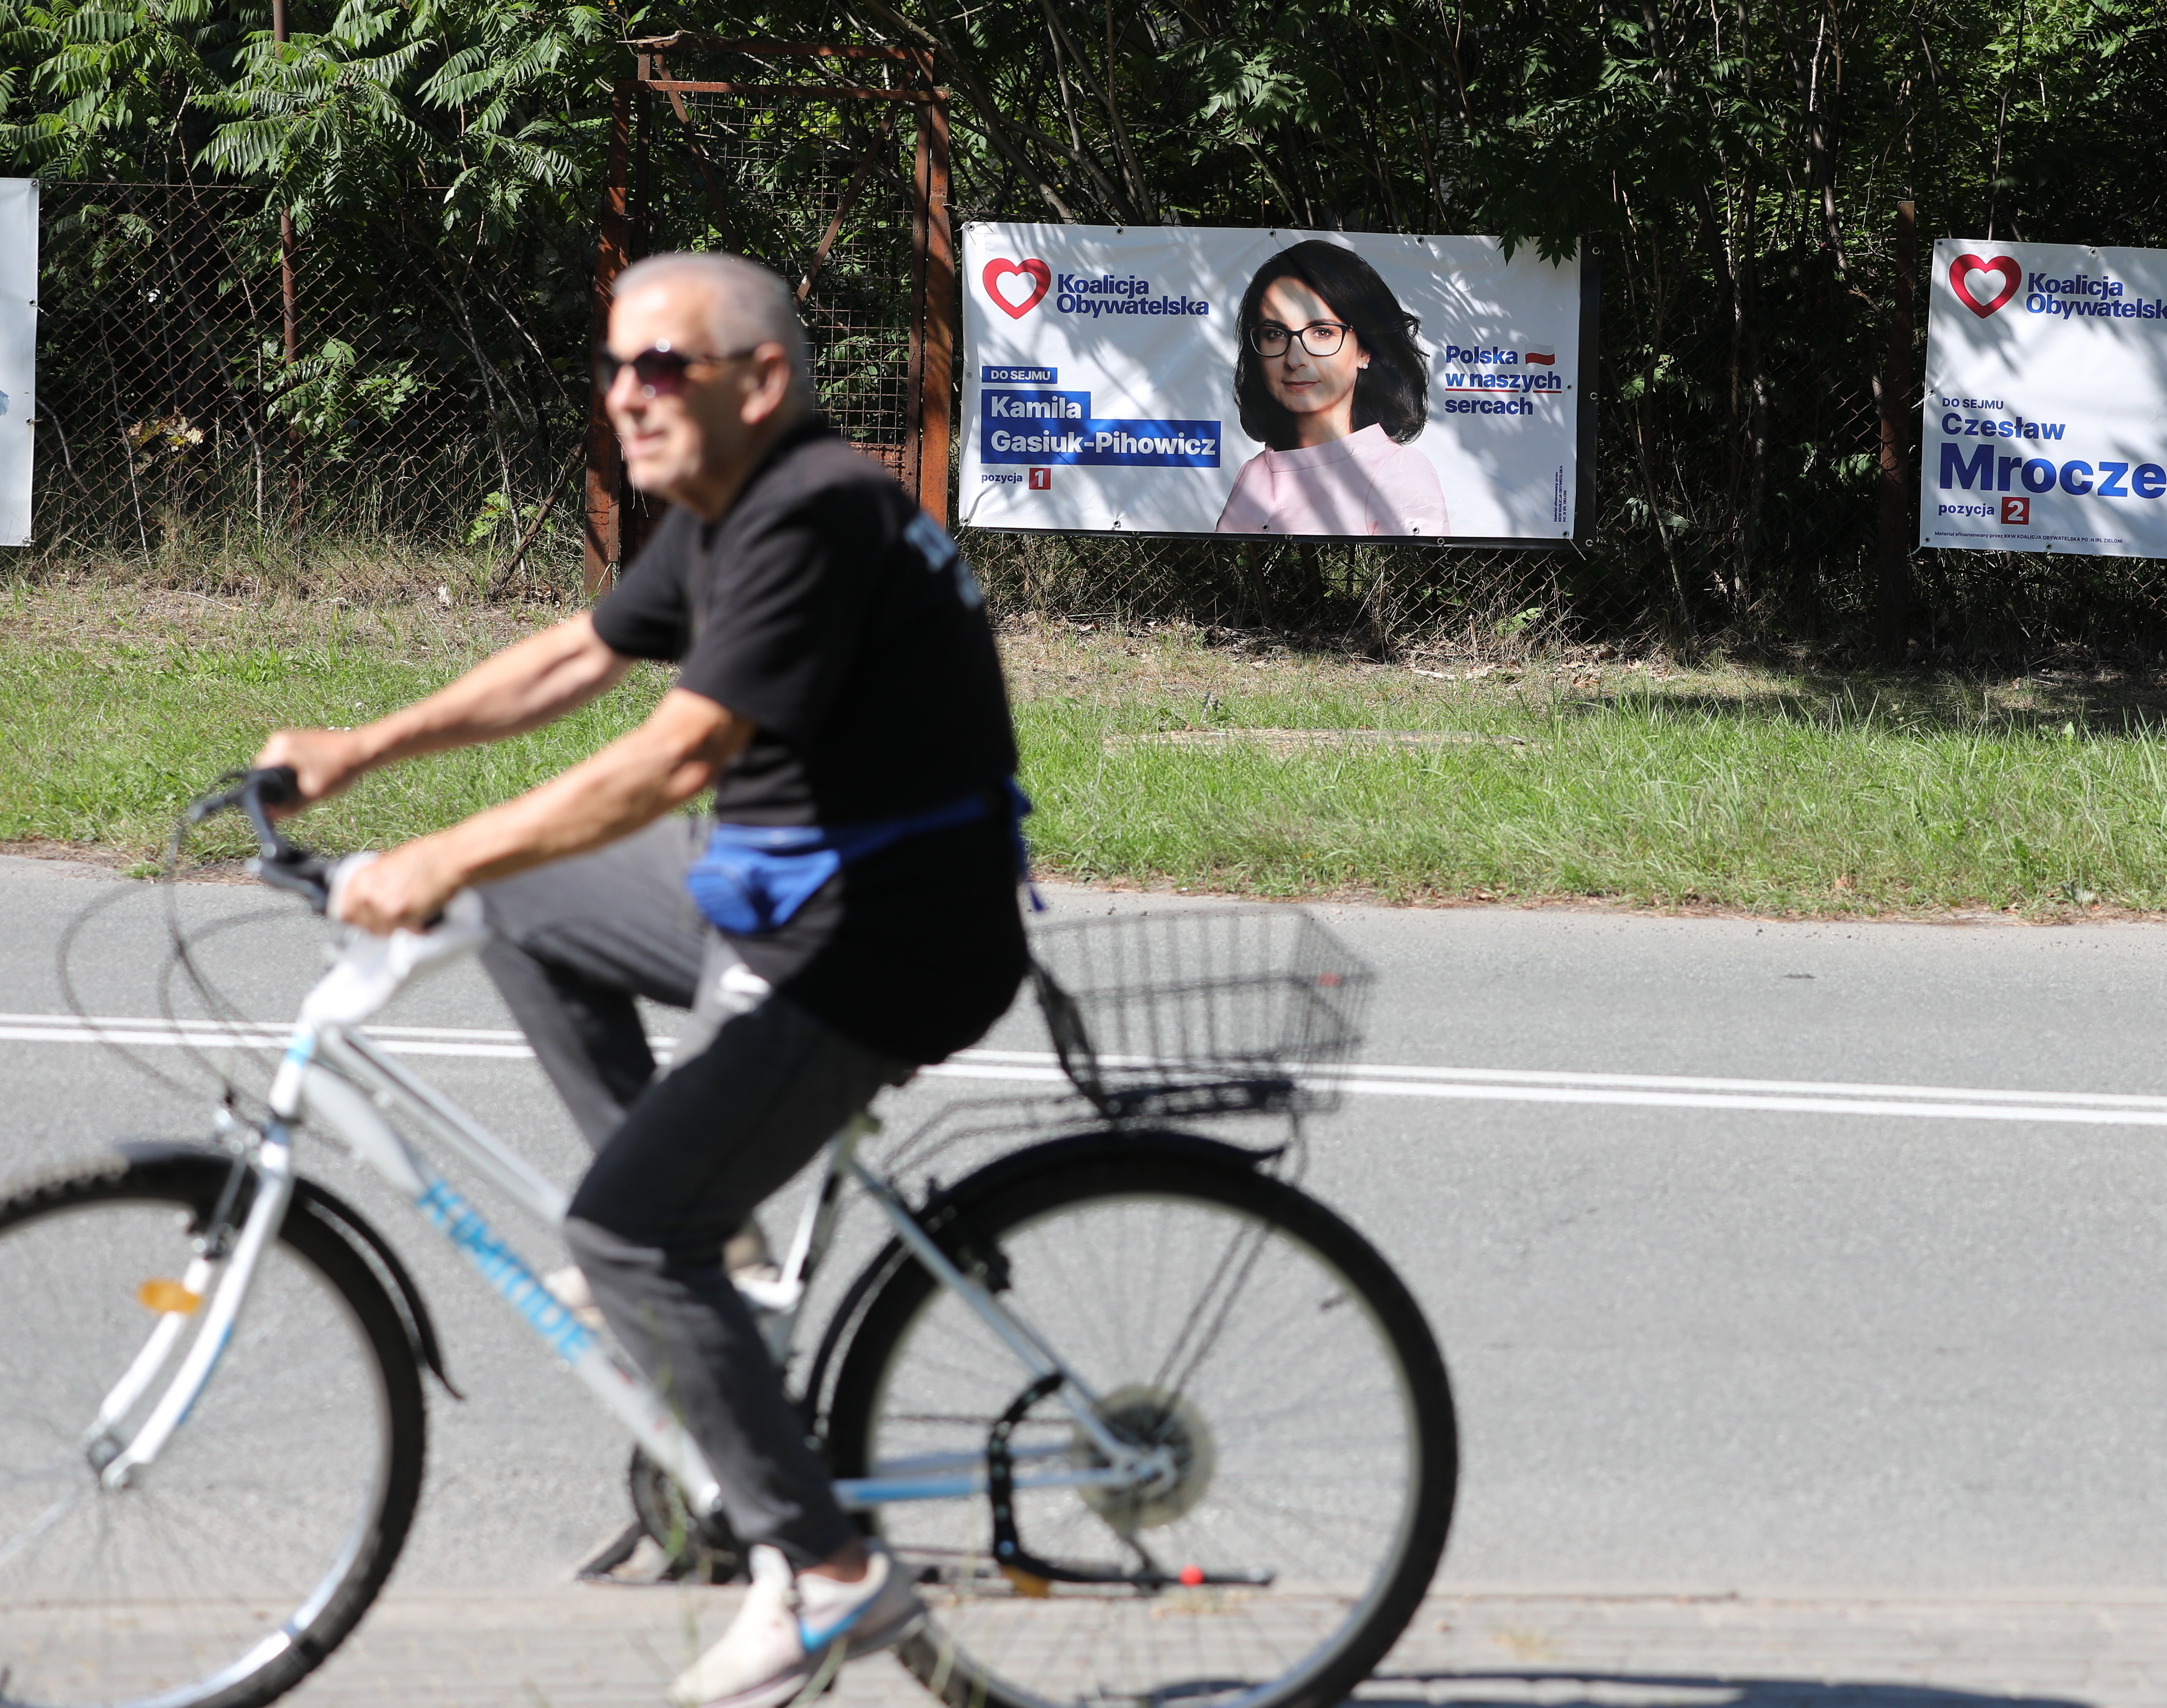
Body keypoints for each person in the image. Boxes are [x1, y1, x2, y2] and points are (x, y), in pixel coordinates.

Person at [254, 252, 1028, 1708]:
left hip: (881, 937)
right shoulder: (726, 509)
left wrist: (433, 855)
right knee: (528, 901)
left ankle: (827, 1571)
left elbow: (677, 757)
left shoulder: (813, 516)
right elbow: (576, 658)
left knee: (623, 1232)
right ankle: (712, 1246)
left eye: (660, 366)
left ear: (763, 381)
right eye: (614, 367)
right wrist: (363, 752)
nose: (627, 394)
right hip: (785, 888)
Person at [1214, 239, 1448, 535]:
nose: (1295, 359)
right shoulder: (1255, 471)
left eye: (1322, 332)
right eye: (1275, 333)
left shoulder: (1399, 472)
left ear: (1366, 350)